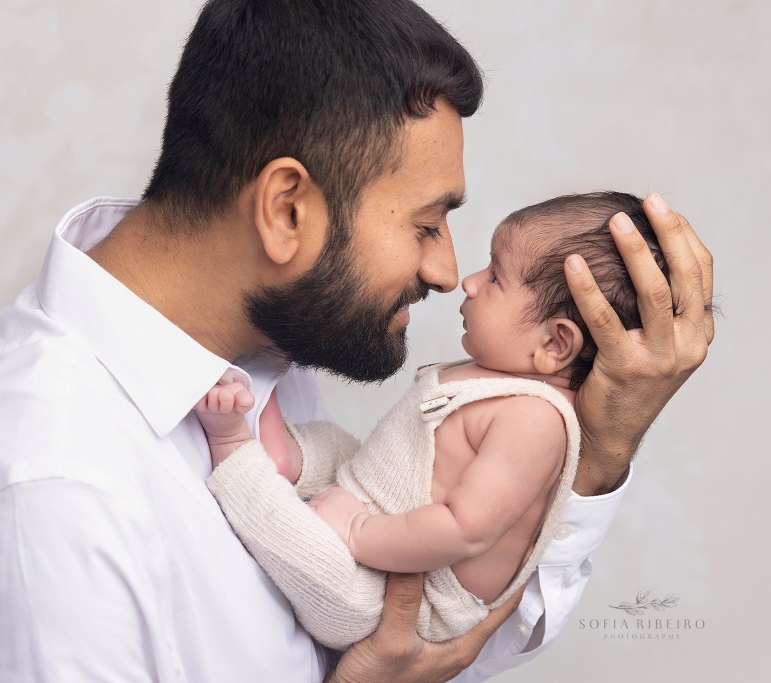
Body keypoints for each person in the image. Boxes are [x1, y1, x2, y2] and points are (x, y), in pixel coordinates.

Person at [0, 1, 714, 682]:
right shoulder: (45, 496)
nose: (445, 269)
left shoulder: (266, 346)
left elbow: (432, 630)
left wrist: (598, 448)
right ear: (287, 209)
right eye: (426, 224)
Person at [193, 192, 667, 650]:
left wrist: (358, 533)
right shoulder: (500, 377)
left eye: (496, 278)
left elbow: (465, 529)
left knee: (313, 557)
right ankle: (288, 457)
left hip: (398, 597)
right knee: (338, 446)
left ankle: (234, 451)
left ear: (554, 344)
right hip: (385, 507)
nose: (469, 282)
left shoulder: (535, 420)